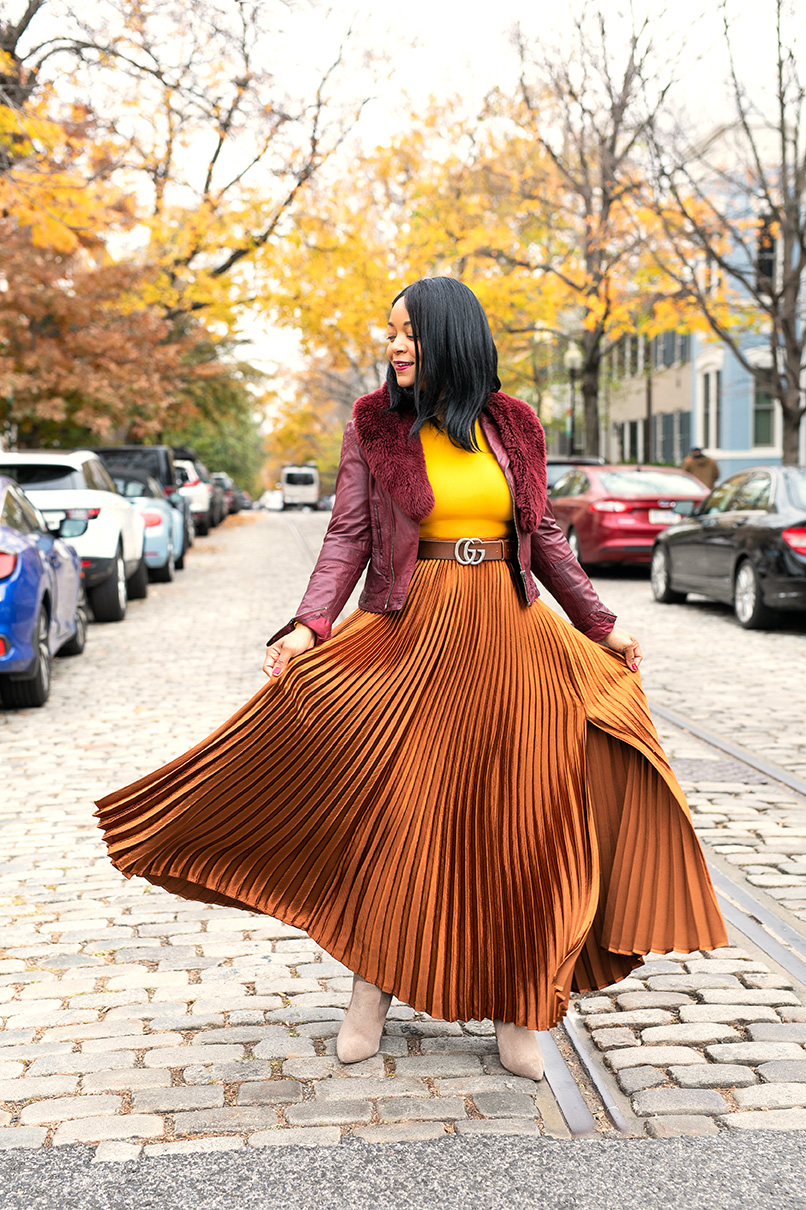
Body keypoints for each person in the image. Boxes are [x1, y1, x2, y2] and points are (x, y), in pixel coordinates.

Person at [96, 277, 727, 1083]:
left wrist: (602, 624)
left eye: (409, 333)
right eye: (388, 331)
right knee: (406, 818)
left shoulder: (514, 425)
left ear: (451, 339)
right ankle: (373, 989)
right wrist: (308, 624)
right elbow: (347, 536)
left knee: (520, 825)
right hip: (412, 637)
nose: (394, 344)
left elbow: (543, 536)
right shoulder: (373, 426)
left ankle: (519, 1008)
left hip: (512, 641)